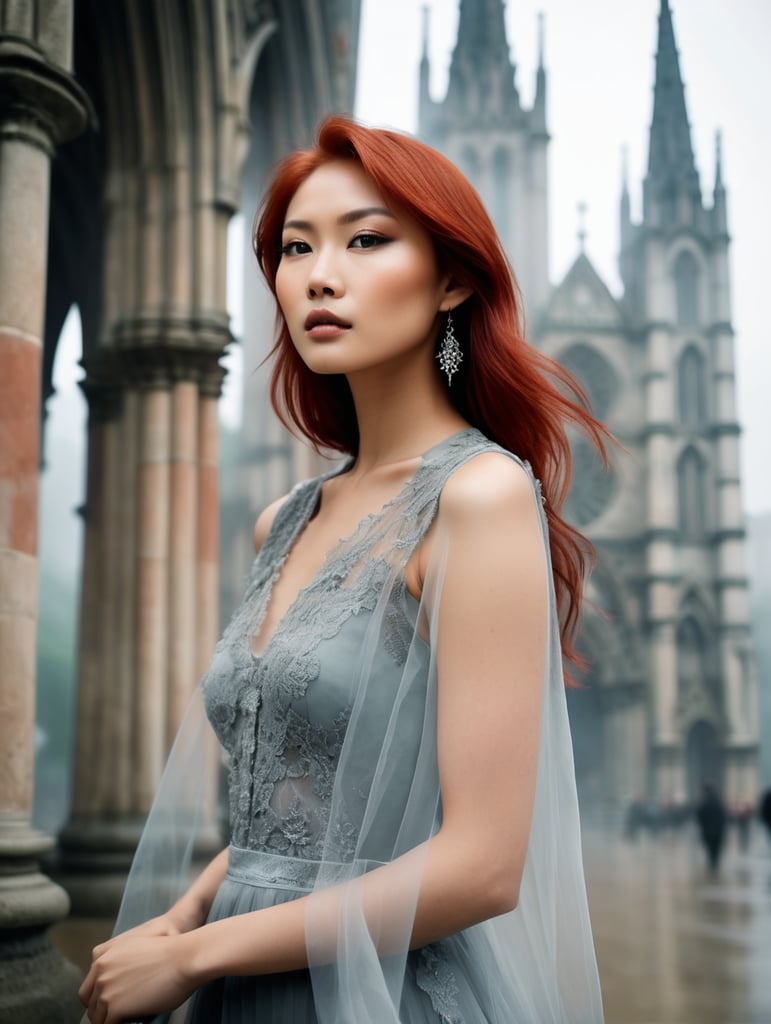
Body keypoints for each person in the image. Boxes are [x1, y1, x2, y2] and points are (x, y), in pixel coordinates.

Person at [79, 116, 607, 1023]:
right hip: (233, 973)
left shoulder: (478, 497)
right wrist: (184, 915)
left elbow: (482, 868)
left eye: (365, 240)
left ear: (451, 280)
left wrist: (194, 954)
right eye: (296, 247)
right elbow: (292, 812)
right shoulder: (283, 519)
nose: (320, 274)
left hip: (372, 990)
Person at [695, 783, 727, 873]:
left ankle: (711, 863)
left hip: (707, 830)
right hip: (718, 830)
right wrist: (721, 825)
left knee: (710, 848)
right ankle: (715, 863)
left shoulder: (703, 802)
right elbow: (723, 816)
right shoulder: (718, 801)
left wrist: (703, 826)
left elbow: (699, 816)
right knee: (717, 848)